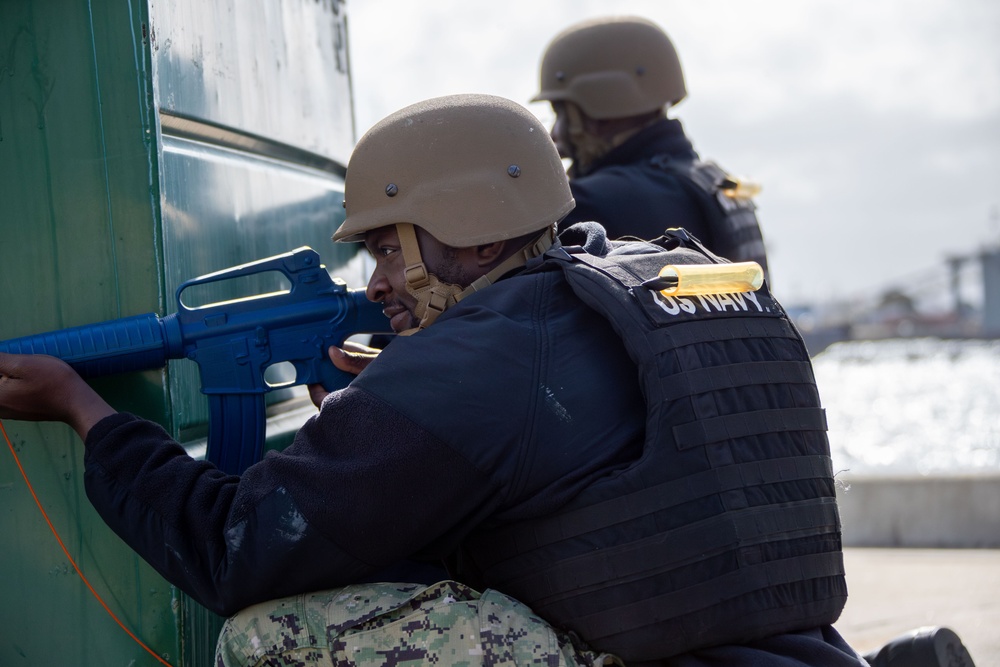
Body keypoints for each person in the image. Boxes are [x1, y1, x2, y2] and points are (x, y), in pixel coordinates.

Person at [0, 94, 973, 667]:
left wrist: (85, 409)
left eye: (387, 245)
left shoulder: (476, 361)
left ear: (462, 229)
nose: (375, 280)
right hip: (785, 646)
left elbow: (238, 547)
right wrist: (381, 411)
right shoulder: (623, 276)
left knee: (270, 634)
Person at [531, 15, 770, 281]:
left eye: (562, 113)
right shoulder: (716, 185)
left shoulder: (589, 202)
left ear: (603, 108)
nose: (555, 133)